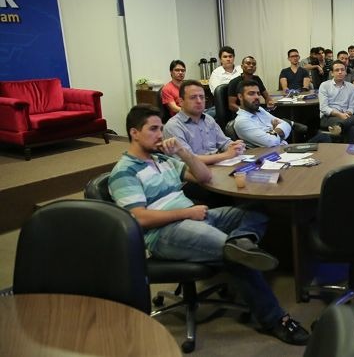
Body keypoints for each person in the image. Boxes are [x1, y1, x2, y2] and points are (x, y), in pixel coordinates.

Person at [109, 104, 310, 345]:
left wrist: (184, 152)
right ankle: (275, 319)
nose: (160, 135)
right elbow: (138, 217)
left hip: (194, 216)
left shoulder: (161, 159)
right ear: (134, 132)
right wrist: (186, 212)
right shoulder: (124, 172)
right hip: (163, 232)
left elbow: (203, 177)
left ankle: (241, 239)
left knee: (257, 209)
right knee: (237, 255)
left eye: (161, 129)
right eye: (153, 129)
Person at [164, 80, 246, 165]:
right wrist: (226, 155)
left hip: (220, 166)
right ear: (181, 102)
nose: (199, 101)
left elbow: (224, 143)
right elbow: (189, 159)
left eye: (202, 97)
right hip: (195, 174)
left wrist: (235, 146)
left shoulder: (208, 119)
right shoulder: (173, 126)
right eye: (193, 97)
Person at [318, 60, 354, 143]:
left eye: (342, 70)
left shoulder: (351, 87)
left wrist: (348, 114)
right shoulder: (324, 85)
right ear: (332, 73)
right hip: (328, 117)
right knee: (351, 127)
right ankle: (349, 153)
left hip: (346, 116)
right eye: (337, 70)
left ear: (345, 72)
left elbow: (351, 107)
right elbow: (324, 108)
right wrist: (340, 115)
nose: (340, 72)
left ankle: (340, 126)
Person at [233, 80, 293, 148]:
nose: (257, 97)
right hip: (268, 155)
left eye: (258, 93)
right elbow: (272, 142)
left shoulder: (260, 110)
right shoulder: (242, 121)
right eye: (251, 93)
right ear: (240, 97)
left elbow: (286, 124)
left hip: (284, 148)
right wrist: (277, 131)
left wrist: (273, 132)